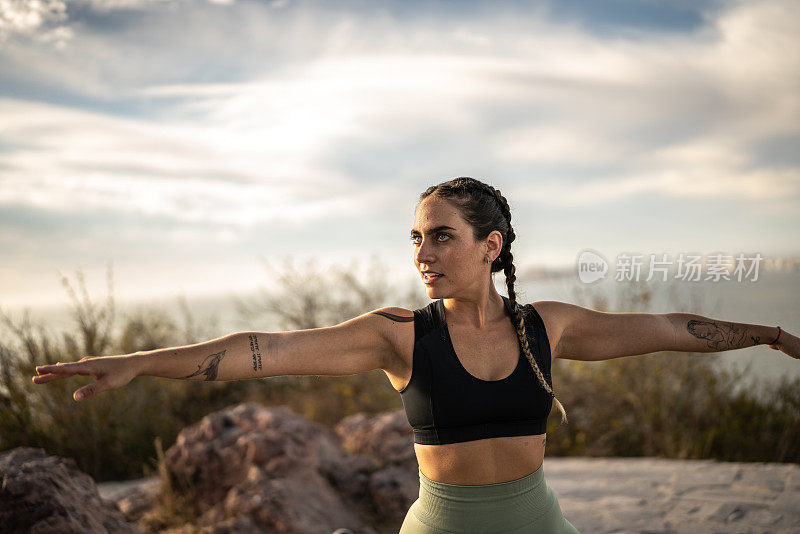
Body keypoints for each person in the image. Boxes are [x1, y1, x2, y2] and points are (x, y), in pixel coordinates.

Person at [32, 176, 798, 533]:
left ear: (490, 247)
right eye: (415, 239)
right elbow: (255, 352)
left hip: (541, 523)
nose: (423, 253)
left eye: (441, 236)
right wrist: (137, 361)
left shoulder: (549, 326)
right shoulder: (399, 334)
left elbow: (670, 327)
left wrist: (769, 336)